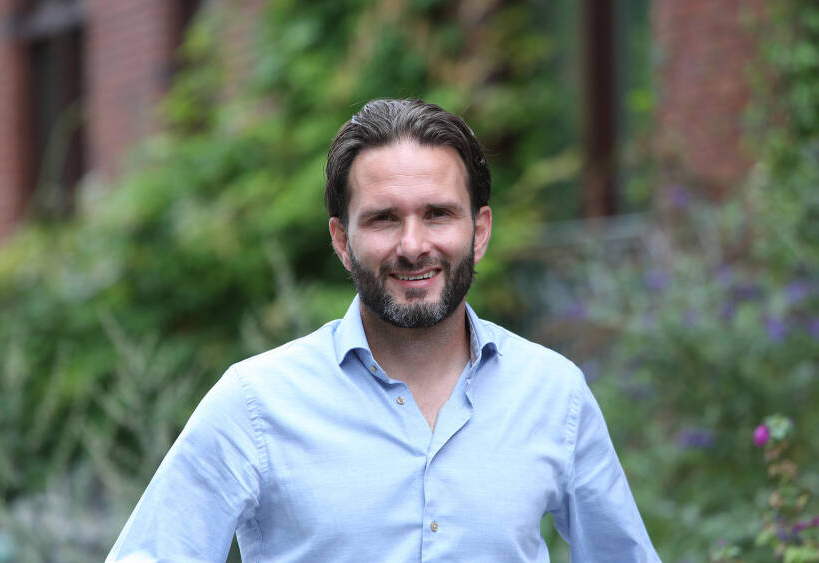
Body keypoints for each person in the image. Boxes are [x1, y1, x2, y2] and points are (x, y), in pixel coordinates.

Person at [107, 98, 661, 562]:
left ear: (479, 232)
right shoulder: (255, 404)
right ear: (342, 241)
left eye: (438, 214)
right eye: (383, 219)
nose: (413, 245)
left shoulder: (554, 394)